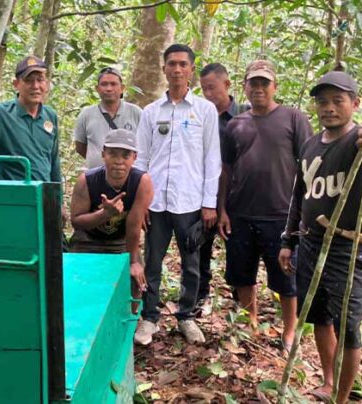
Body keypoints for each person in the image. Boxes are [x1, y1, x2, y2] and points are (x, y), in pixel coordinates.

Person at [218, 60, 313, 351]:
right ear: (244, 86)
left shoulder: (293, 118)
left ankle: (289, 330)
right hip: (241, 212)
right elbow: (227, 170)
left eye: (264, 83)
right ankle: (251, 322)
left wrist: (305, 212)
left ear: (275, 87)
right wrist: (222, 209)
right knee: (242, 273)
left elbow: (310, 164)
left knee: (286, 277)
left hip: (282, 215)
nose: (258, 88)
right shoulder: (235, 124)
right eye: (253, 83)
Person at [279, 71, 361, 403]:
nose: (329, 108)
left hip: (347, 247)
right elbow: (300, 196)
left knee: (348, 326)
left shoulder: (357, 143)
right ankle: (328, 381)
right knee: (317, 316)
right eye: (322, 102)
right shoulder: (311, 144)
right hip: (311, 243)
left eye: (338, 101)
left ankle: (341, 397)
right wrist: (288, 240)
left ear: (355, 104)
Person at [133, 44, 221, 345]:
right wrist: (141, 201)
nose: (177, 69)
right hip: (156, 202)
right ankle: (150, 317)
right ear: (164, 69)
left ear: (191, 70)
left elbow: (212, 159)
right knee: (153, 262)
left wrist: (209, 203)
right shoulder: (150, 112)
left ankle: (186, 317)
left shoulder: (204, 111)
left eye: (183, 64)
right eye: (172, 64)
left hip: (190, 202)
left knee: (192, 263)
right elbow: (141, 160)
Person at [70, 129, 154, 308]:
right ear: (103, 155)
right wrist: (105, 214)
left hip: (121, 242)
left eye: (125, 155)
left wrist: (133, 262)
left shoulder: (142, 182)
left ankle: (130, 324)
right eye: (113, 154)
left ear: (134, 157)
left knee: (136, 280)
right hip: (88, 240)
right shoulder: (87, 180)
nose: (119, 161)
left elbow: (134, 225)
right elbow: (76, 221)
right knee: (75, 282)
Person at [198, 62, 249, 308]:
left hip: (238, 196)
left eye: (212, 88)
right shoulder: (199, 116)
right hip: (206, 194)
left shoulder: (246, 115)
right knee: (201, 248)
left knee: (239, 251)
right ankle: (200, 296)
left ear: (227, 85)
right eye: (203, 90)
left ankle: (241, 304)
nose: (208, 95)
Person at [74, 67, 142, 169]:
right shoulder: (86, 114)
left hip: (130, 178)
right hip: (96, 179)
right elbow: (80, 147)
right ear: (97, 89)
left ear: (122, 88)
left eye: (113, 84)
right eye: (104, 84)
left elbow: (145, 145)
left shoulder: (136, 113)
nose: (109, 88)